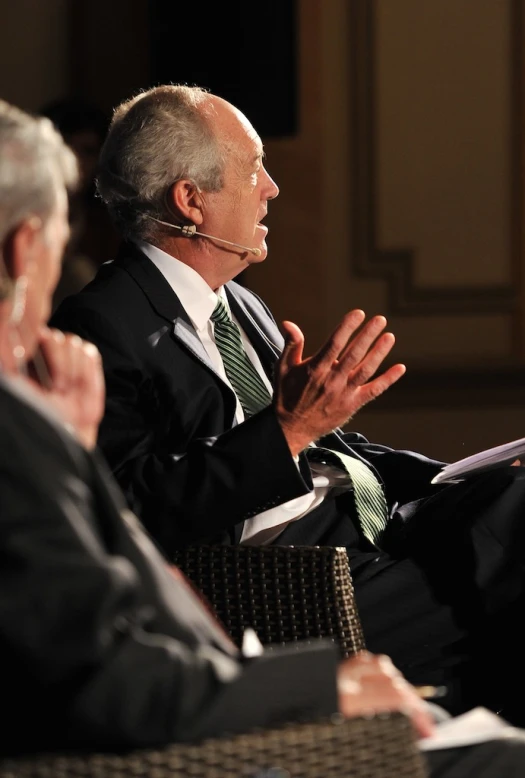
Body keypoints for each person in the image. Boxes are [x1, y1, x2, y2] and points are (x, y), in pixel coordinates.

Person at [3, 99, 525, 778]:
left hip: (369, 527)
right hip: (301, 576)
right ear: (190, 200)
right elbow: (143, 507)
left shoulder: (239, 300)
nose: (272, 188)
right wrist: (291, 428)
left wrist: (452, 474)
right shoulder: (102, 323)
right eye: (254, 170)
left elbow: (327, 444)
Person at [39, 97, 120, 309]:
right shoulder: (21, 211)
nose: (74, 161)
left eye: (87, 151)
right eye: (66, 147)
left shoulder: (109, 226)